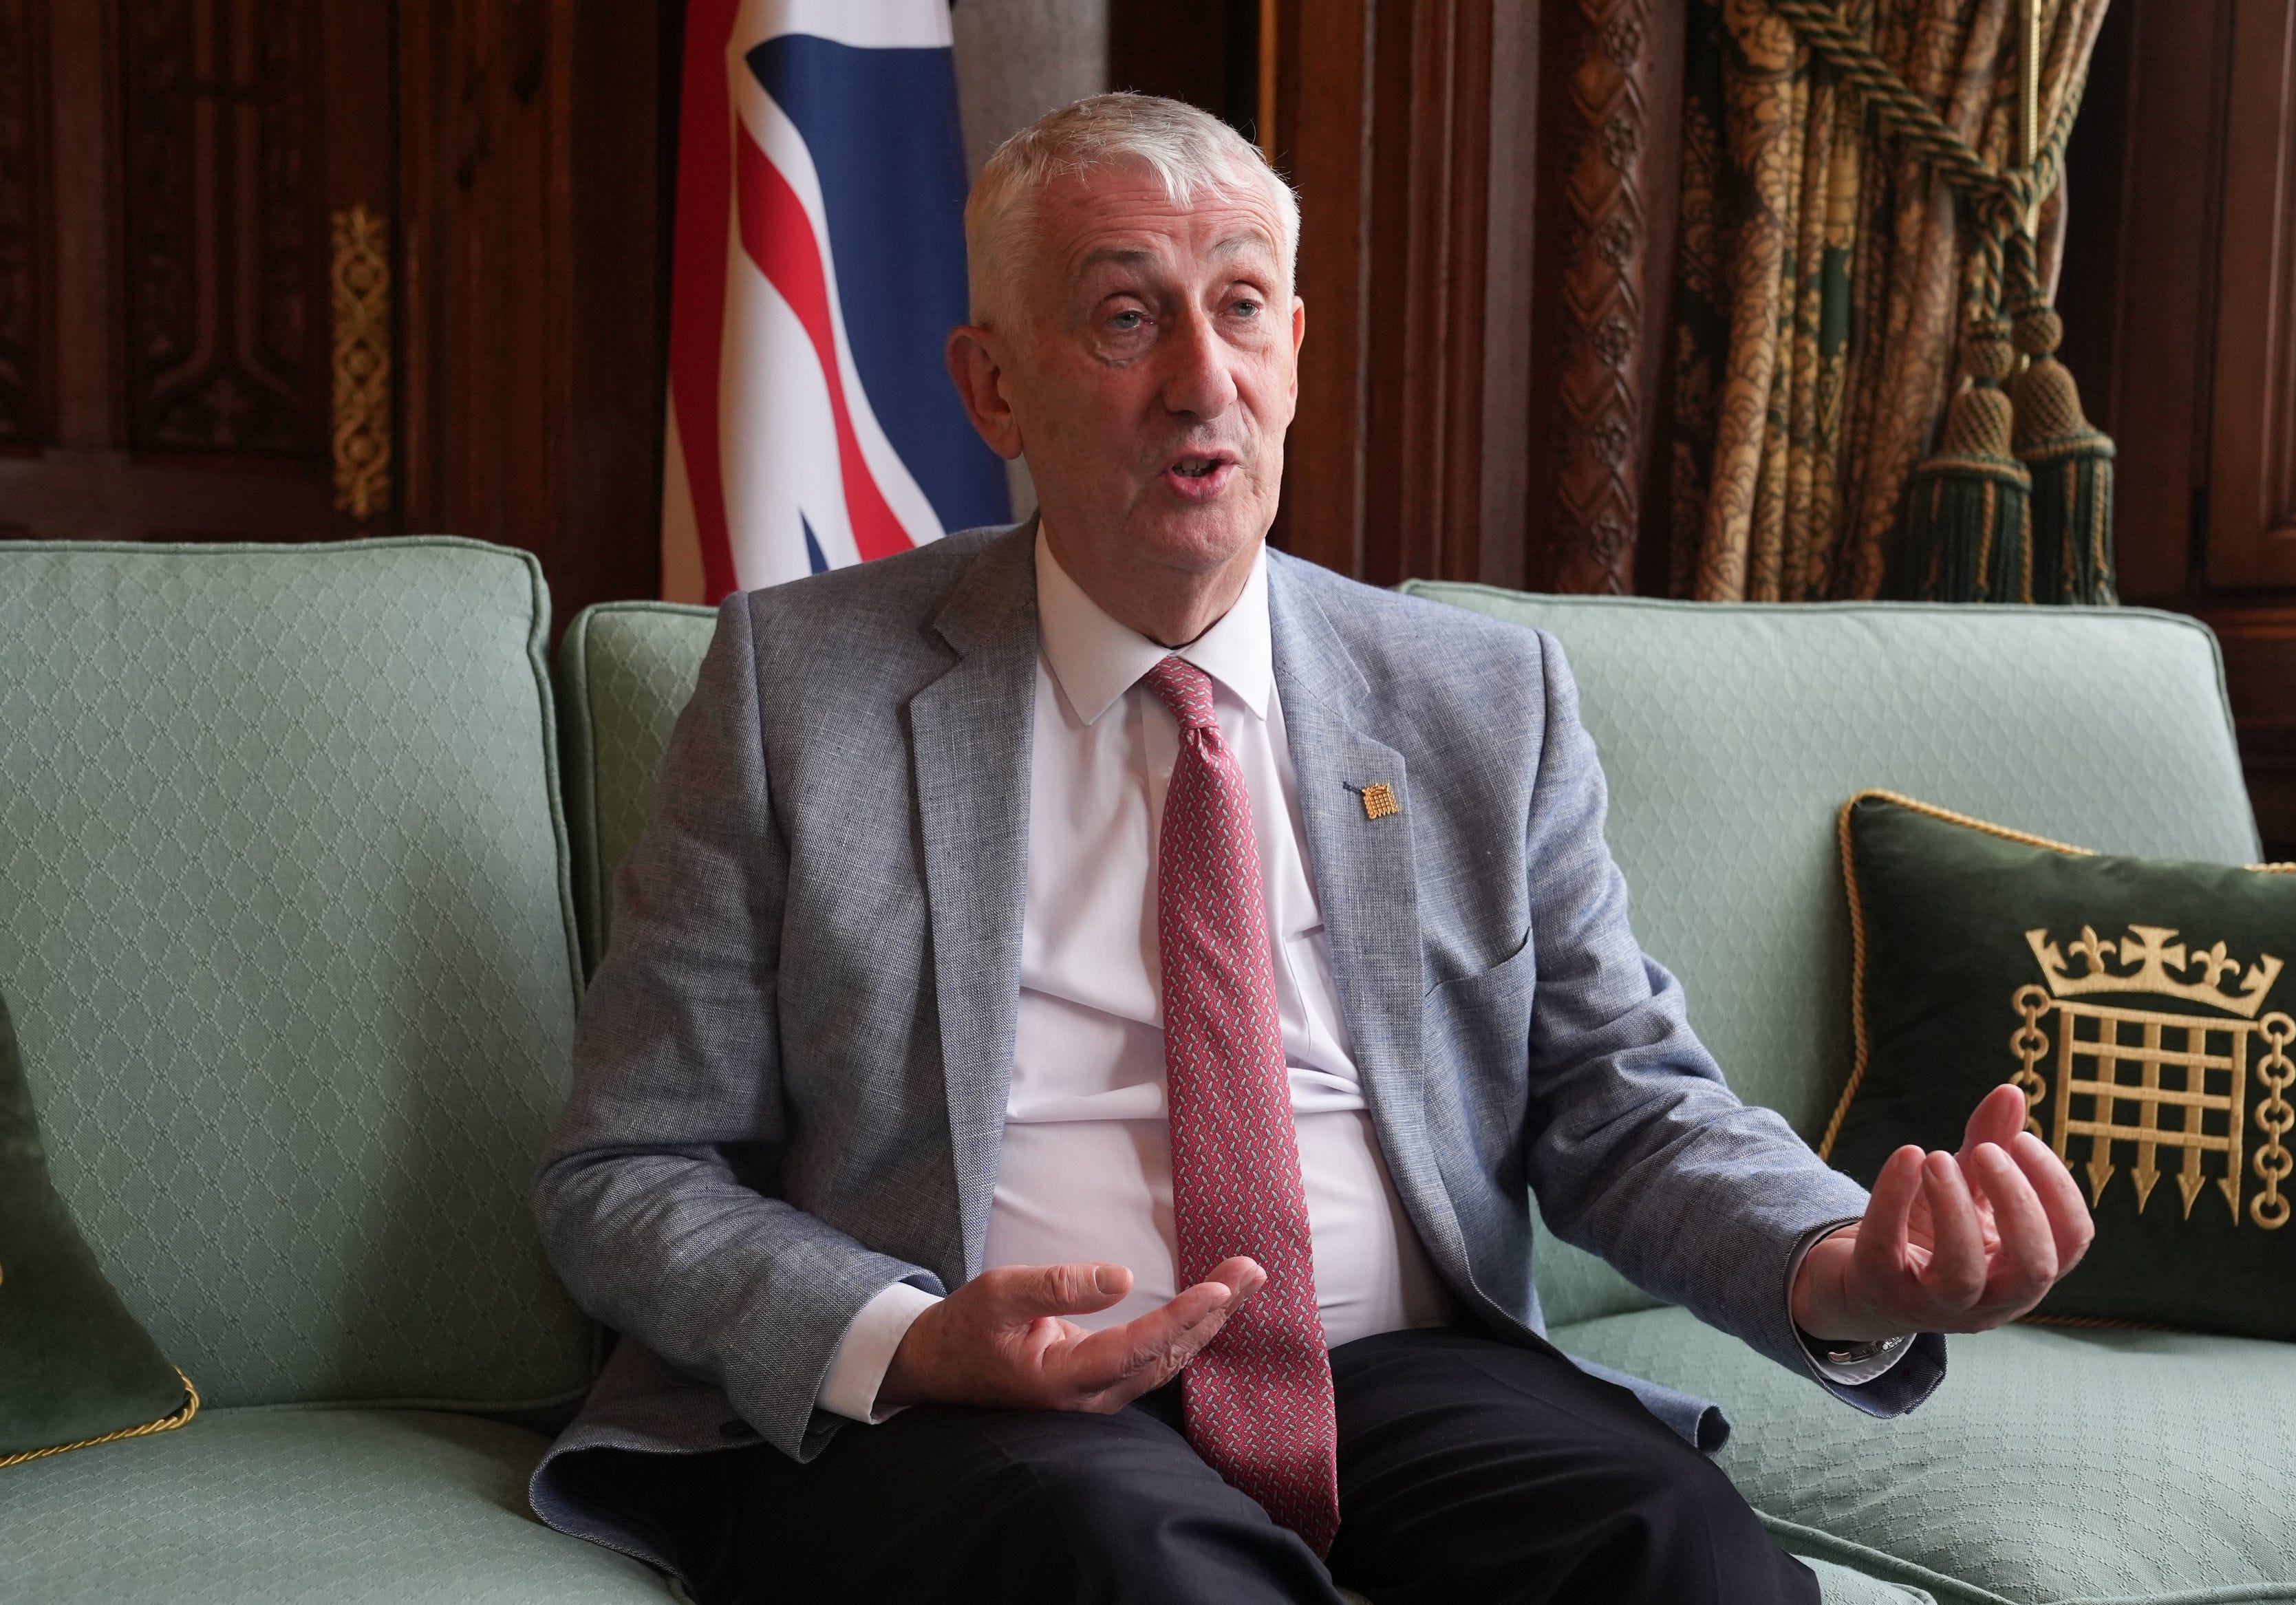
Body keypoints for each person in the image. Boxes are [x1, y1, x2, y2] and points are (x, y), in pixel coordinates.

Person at [527, 94, 2092, 1605]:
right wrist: (909, 1338)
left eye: (1244, 309)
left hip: (1395, 1380)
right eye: (1126, 319)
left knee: (1675, 1545)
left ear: (1295, 348)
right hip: (981, 1405)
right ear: (994, 388)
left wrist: (1837, 1263)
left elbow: (1621, 1106)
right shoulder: (801, 688)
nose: (1202, 381)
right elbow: (629, 1167)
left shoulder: (1478, 700)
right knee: (1132, 1565)